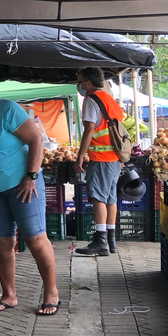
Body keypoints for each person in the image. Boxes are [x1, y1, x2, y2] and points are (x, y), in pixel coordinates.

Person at [0, 69, 61, 316]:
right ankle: (9, 295)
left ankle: (51, 294)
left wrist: (31, 176)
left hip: (22, 185)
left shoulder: (7, 109)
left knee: (35, 240)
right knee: (3, 243)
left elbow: (36, 140)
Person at [74, 67, 125, 257]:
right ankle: (111, 240)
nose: (79, 86)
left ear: (88, 83)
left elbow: (89, 129)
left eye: (79, 81)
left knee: (98, 198)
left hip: (101, 157)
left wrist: (80, 155)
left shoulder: (91, 100)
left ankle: (100, 240)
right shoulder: (109, 99)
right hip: (115, 158)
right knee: (111, 198)